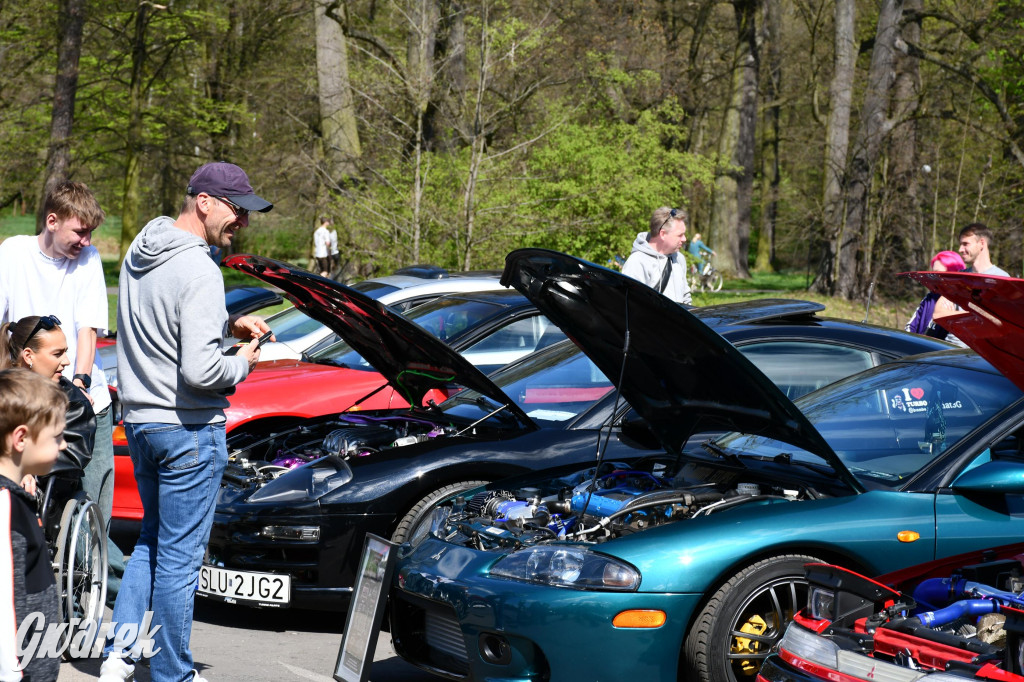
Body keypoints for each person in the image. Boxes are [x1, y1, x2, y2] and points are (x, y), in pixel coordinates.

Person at [99, 162, 273, 682]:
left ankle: (118, 656)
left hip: (142, 424)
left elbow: (161, 312)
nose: (241, 219)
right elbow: (202, 371)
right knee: (180, 559)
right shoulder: (200, 269)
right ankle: (173, 672)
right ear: (203, 201)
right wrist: (245, 361)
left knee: (152, 543)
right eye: (235, 207)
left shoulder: (140, 247)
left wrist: (224, 319)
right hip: (189, 432)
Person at [0, 181, 121, 596]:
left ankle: (97, 588)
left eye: (89, 234)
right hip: (27, 395)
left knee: (92, 499)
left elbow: (86, 330)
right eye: (79, 232)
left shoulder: (86, 260)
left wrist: (82, 381)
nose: (86, 241)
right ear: (52, 221)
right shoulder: (13, 253)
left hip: (82, 397)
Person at [0, 368, 67, 682]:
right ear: (21, 438)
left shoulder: (15, 498)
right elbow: (5, 606)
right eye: (56, 436)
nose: (64, 445)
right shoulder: (5, 508)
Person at [0, 316, 96, 493]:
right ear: (28, 356)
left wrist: (26, 470)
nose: (67, 361)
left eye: (65, 352)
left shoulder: (73, 402)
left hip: (45, 494)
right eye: (57, 354)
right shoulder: (5, 389)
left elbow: (70, 456)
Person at [621, 206, 692, 304]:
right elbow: (631, 305)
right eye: (680, 235)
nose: (684, 239)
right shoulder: (637, 262)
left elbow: (686, 299)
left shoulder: (679, 258)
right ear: (663, 234)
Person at [905, 251, 966, 336]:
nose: (934, 276)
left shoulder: (963, 302)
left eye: (938, 273)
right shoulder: (930, 298)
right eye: (933, 273)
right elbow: (911, 327)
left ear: (952, 273)